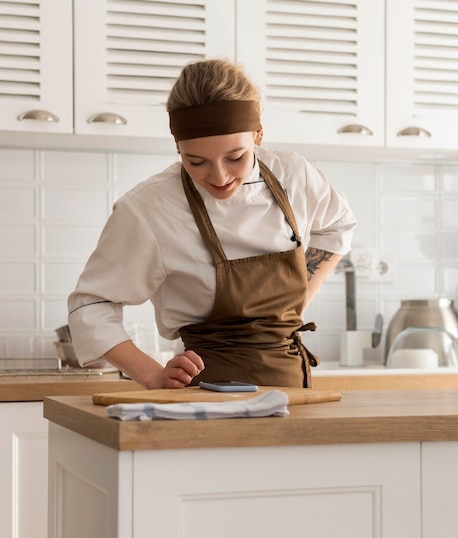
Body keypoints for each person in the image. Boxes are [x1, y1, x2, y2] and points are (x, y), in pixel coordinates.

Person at [67, 58, 356, 389]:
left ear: (258, 135)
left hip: (294, 389)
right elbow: (89, 303)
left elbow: (337, 226)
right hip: (204, 399)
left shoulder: (293, 175)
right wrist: (151, 374)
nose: (219, 177)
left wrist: (299, 303)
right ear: (177, 147)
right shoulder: (149, 209)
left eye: (236, 158)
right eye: (196, 161)